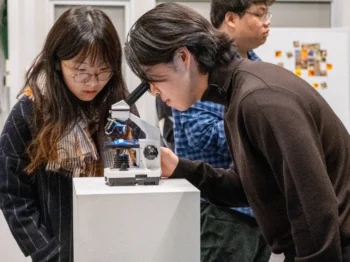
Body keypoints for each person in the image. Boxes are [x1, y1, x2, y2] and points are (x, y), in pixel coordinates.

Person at [125, 3, 350, 261]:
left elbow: (315, 212)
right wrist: (178, 167)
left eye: (154, 80)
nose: (154, 92)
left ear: (183, 58)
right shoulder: (236, 93)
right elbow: (247, 188)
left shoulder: (258, 99)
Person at [0, 6, 140, 261]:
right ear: (56, 62)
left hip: (117, 242)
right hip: (58, 248)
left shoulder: (121, 107)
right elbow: (11, 190)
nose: (93, 82)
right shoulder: (31, 110)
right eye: (80, 70)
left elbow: (136, 170)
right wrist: (45, 250)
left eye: (103, 71)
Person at [171, 0, 273, 261]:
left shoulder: (257, 67)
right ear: (230, 18)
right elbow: (199, 133)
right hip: (220, 210)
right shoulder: (200, 65)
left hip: (257, 210)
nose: (267, 21)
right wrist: (257, 130)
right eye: (260, 14)